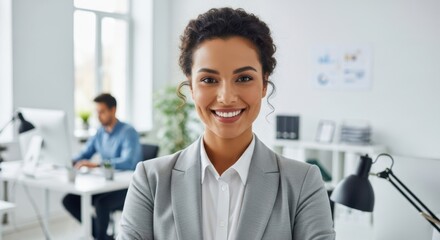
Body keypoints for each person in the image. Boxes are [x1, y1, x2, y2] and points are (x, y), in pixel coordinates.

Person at [118, 8, 335, 240]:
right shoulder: (151, 180)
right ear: (191, 88)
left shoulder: (302, 183)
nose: (226, 97)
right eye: (209, 80)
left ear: (263, 84)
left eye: (243, 78)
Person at [63, 93, 142, 240]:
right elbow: (85, 153)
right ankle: (103, 236)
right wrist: (67, 160)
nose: (98, 116)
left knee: (101, 203)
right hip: (106, 185)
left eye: (102, 112)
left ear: (113, 110)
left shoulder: (128, 132)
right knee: (69, 200)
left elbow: (129, 162)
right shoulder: (100, 132)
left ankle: (101, 237)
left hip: (126, 188)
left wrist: (98, 164)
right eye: (97, 112)